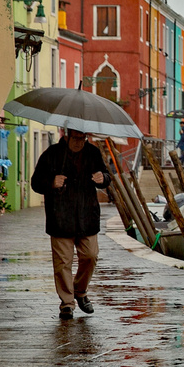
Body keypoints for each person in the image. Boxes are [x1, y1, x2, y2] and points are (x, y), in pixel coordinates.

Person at [29, 128, 112, 321]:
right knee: (62, 263)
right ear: (66, 135)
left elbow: (106, 176)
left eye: (83, 138)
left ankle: (80, 291)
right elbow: (35, 183)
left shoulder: (92, 153)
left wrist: (103, 178)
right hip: (60, 217)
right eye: (76, 138)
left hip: (87, 216)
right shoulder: (51, 154)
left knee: (90, 256)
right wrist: (51, 182)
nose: (79, 142)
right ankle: (67, 303)